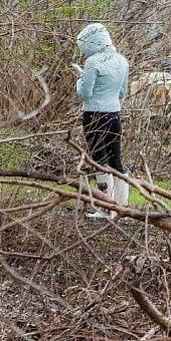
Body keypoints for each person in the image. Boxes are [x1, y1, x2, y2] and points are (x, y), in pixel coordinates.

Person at [75, 22, 130, 219]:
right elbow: (123, 91)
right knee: (116, 157)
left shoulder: (92, 62)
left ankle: (105, 206)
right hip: (115, 113)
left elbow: (85, 93)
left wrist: (79, 80)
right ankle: (122, 205)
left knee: (99, 159)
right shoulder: (122, 61)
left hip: (94, 114)